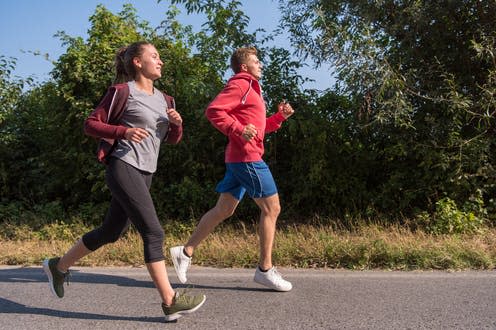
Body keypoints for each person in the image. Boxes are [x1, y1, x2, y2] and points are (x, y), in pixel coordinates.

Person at [42, 41, 205, 321]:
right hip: (123, 165)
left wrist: (177, 125)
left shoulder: (166, 100)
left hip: (146, 171)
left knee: (111, 231)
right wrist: (123, 132)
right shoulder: (122, 92)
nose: (161, 61)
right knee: (154, 233)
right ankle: (170, 301)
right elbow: (91, 124)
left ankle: (59, 266)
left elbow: (170, 139)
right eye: (154, 56)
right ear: (138, 63)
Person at [170, 46, 294, 292]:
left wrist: (278, 118)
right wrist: (238, 129)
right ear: (245, 66)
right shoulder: (241, 84)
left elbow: (256, 130)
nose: (260, 64)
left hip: (239, 158)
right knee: (272, 208)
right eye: (256, 61)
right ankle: (265, 270)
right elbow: (214, 111)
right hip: (247, 158)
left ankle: (185, 252)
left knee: (224, 209)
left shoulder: (254, 91)